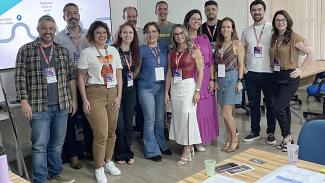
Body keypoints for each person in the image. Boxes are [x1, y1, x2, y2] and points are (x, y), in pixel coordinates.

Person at [15, 15, 76, 183]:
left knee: (57, 144)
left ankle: (55, 172)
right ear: (38, 30)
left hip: (62, 105)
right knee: (40, 146)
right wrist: (23, 101)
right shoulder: (26, 50)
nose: (47, 32)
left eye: (50, 28)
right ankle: (39, 179)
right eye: (44, 28)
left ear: (55, 30)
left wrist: (74, 100)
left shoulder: (62, 51)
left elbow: (71, 77)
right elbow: (20, 78)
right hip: (38, 107)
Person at [78, 21, 123, 183]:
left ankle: (108, 161)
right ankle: (98, 168)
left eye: (104, 32)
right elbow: (81, 78)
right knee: (101, 134)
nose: (102, 35)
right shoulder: (87, 53)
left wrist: (119, 96)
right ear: (92, 35)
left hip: (112, 93)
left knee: (112, 132)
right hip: (94, 94)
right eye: (98, 33)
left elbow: (118, 75)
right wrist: (84, 100)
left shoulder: (113, 51)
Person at [54, 3, 93, 169]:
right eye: (68, 13)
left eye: (75, 12)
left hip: (88, 83)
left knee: (89, 118)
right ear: (64, 17)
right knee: (70, 121)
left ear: (79, 15)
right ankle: (73, 155)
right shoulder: (58, 39)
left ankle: (91, 150)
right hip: (68, 85)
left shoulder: (89, 35)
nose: (72, 16)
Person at [270, 10, 312, 152]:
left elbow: (310, 53)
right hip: (276, 76)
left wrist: (301, 70)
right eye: (277, 20)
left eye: (283, 20)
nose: (280, 22)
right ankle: (287, 139)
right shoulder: (274, 37)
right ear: (274, 22)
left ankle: (287, 137)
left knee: (277, 107)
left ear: (287, 21)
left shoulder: (294, 37)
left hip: (290, 77)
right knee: (284, 107)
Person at [165, 24, 203, 165]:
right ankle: (188, 145)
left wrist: (197, 91)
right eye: (176, 34)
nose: (179, 36)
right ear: (173, 37)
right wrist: (166, 93)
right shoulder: (172, 52)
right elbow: (169, 73)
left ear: (185, 34)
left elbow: (201, 72)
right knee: (179, 117)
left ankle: (187, 150)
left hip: (188, 87)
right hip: (175, 88)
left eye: (181, 33)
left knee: (188, 116)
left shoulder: (194, 49)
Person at [241, 0, 276, 144]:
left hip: (269, 72)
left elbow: (288, 37)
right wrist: (243, 68)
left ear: (264, 10)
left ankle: (270, 132)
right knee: (254, 104)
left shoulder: (272, 28)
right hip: (251, 73)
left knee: (270, 104)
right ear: (251, 12)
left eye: (259, 9)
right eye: (254, 10)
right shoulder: (246, 31)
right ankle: (255, 131)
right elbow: (241, 52)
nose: (257, 12)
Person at [184, 9, 218, 151]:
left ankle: (202, 138)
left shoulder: (204, 38)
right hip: (191, 78)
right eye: (194, 19)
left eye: (199, 19)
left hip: (205, 79)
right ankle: (193, 141)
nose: (197, 21)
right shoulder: (184, 40)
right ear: (187, 22)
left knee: (205, 110)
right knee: (193, 110)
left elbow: (210, 62)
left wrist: (212, 80)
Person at [137, 22, 172, 162]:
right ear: (144, 34)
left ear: (158, 33)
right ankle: (151, 150)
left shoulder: (164, 47)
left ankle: (162, 144)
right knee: (150, 120)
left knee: (160, 120)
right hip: (146, 88)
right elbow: (137, 70)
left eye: (153, 31)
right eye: (148, 32)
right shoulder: (141, 50)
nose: (151, 34)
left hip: (161, 88)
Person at [215, 17, 244, 153]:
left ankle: (235, 140)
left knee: (227, 114)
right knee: (225, 114)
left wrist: (240, 81)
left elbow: (241, 64)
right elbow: (216, 65)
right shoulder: (219, 45)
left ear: (232, 29)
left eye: (228, 27)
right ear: (220, 29)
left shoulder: (237, 44)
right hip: (221, 80)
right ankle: (229, 138)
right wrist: (214, 80)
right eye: (223, 27)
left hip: (232, 79)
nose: (225, 29)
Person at [112, 22, 140, 165]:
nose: (128, 35)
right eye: (125, 32)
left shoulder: (135, 50)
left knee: (129, 124)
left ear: (134, 35)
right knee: (120, 125)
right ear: (120, 34)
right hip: (116, 90)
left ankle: (128, 152)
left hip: (130, 90)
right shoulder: (113, 50)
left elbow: (136, 69)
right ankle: (119, 153)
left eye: (130, 33)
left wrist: (131, 78)